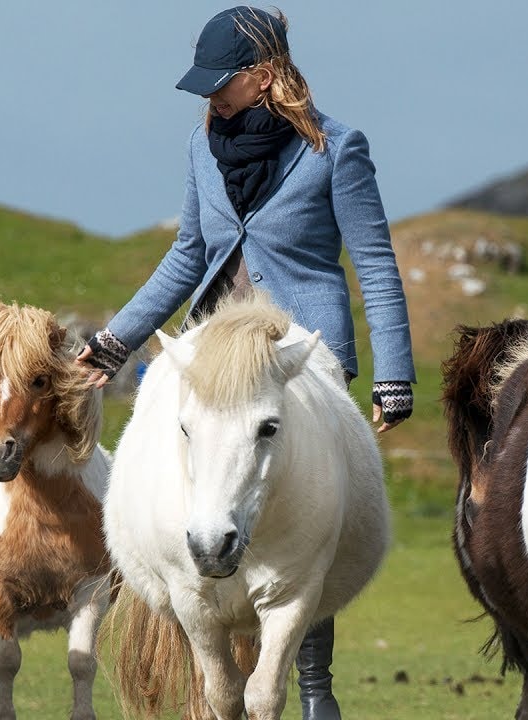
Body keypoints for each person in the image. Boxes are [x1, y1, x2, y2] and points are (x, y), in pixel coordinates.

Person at [76, 6, 415, 719]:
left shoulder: (337, 150)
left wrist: (394, 374)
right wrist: (118, 340)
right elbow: (188, 255)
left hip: (298, 358)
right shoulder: (202, 146)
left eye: (221, 82)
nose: (210, 98)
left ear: (264, 77)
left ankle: (313, 686)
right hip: (210, 353)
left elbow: (377, 267)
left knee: (307, 518)